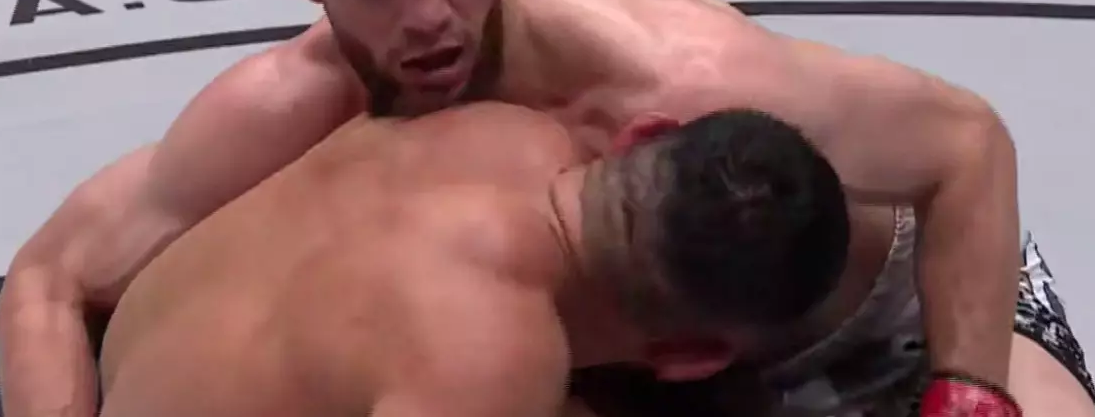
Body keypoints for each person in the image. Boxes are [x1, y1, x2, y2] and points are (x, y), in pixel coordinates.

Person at [0, 0, 1095, 417]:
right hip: (647, 365)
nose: (428, 14)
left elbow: (966, 146)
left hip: (891, 307)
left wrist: (967, 389)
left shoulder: (675, 73)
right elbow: (51, 279)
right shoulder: (285, 111)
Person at [95, 103, 852, 417]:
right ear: (691, 357)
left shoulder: (504, 125)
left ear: (641, 134)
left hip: (130, 360)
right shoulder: (493, 362)